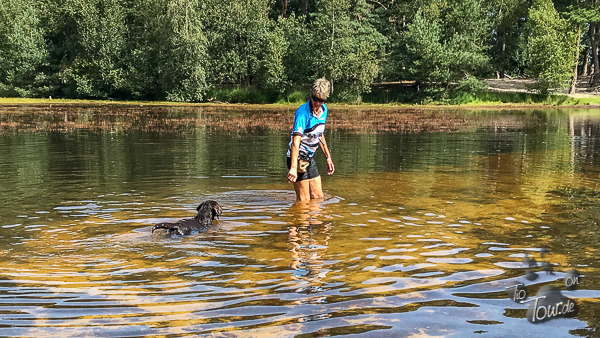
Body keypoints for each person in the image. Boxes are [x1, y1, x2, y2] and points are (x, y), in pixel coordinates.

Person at [286, 78, 335, 201]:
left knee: (318, 198)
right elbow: (295, 143)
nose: (317, 103)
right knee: (304, 202)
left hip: (310, 157)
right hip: (298, 158)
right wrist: (293, 168)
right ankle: (298, 220)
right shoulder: (302, 113)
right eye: (315, 99)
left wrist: (328, 157)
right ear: (311, 94)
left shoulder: (324, 111)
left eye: (321, 100)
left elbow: (319, 134)